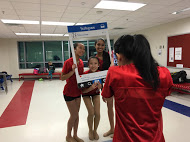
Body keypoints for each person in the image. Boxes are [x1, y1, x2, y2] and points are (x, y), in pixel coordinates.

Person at [101, 34, 173, 142]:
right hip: (154, 138)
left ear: (119, 56)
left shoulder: (115, 73)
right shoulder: (164, 74)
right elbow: (165, 93)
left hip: (125, 138)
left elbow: (106, 97)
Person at [61, 43, 85, 142]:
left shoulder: (81, 62)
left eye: (84, 49)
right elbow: (62, 77)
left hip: (78, 92)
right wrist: (72, 71)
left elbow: (81, 77)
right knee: (74, 115)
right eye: (80, 48)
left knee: (77, 115)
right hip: (69, 92)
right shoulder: (68, 62)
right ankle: (68, 136)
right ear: (74, 49)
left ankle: (75, 135)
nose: (82, 50)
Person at [94, 38, 114, 137]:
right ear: (95, 46)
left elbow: (113, 68)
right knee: (109, 107)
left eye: (102, 45)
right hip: (101, 85)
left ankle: (115, 128)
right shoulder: (93, 58)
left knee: (113, 107)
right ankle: (112, 129)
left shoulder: (109, 56)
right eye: (98, 44)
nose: (100, 47)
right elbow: (93, 73)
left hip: (112, 83)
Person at [81, 56, 102, 140]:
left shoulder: (100, 73)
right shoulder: (85, 75)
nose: (93, 66)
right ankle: (90, 130)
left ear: (98, 65)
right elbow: (83, 91)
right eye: (91, 63)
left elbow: (102, 86)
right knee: (91, 113)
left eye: (95, 63)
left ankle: (95, 130)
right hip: (86, 94)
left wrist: (100, 87)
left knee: (97, 113)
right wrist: (91, 88)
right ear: (88, 65)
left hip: (95, 94)